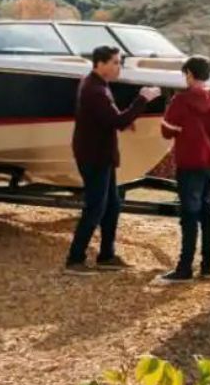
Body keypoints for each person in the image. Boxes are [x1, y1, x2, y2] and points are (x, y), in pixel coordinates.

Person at [65, 45, 162, 276]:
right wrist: (142, 99)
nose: (119, 67)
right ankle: (74, 259)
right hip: (94, 155)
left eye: (119, 62)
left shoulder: (96, 84)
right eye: (116, 62)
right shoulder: (94, 89)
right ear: (100, 63)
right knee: (95, 207)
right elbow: (115, 121)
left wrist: (124, 119)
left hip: (101, 154)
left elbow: (109, 117)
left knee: (112, 204)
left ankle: (106, 256)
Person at [154, 56, 210, 284]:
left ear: (189, 74)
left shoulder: (180, 100)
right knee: (207, 213)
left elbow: (167, 131)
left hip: (189, 163)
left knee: (189, 215)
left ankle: (184, 268)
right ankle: (207, 266)